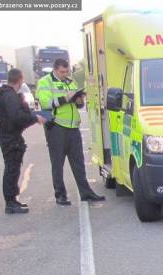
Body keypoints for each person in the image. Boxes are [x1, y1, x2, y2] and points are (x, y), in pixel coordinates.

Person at [35, 58, 104, 206]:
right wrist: (66, 97)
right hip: (56, 126)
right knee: (58, 163)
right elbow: (46, 103)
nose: (64, 74)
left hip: (73, 127)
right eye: (62, 72)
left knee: (79, 163)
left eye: (67, 71)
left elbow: (76, 105)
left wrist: (79, 101)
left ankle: (86, 192)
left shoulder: (70, 81)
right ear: (55, 69)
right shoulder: (45, 82)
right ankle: (60, 195)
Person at [0, 67, 44, 214]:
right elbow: (16, 117)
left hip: (8, 135)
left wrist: (30, 114)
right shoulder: (9, 95)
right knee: (12, 169)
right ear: (20, 79)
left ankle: (12, 200)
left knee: (13, 169)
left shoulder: (2, 92)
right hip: (10, 137)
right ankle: (10, 203)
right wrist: (34, 118)